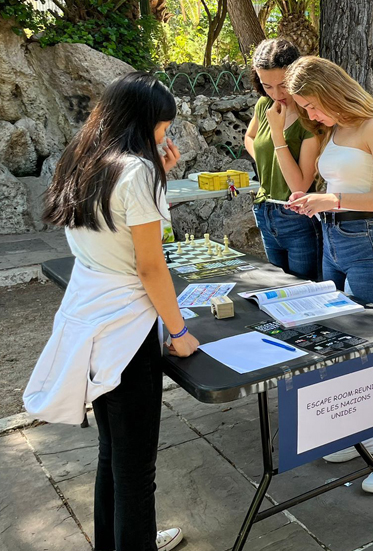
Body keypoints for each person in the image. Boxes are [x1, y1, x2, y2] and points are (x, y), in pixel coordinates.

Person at [23, 72, 197, 551]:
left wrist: (160, 174)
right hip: (128, 326)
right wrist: (179, 331)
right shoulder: (137, 172)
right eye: (163, 126)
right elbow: (150, 266)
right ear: (144, 123)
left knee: (113, 454)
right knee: (136, 467)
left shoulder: (81, 159)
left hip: (91, 312)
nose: (167, 135)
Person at [282, 56, 373, 492]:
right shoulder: (336, 129)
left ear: (331, 90)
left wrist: (332, 201)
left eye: (312, 106)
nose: (311, 116)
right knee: (339, 342)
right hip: (333, 241)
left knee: (370, 348)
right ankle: (367, 431)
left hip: (367, 247)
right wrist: (314, 198)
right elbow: (343, 184)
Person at [245, 39, 322, 281]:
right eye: (267, 86)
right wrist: (268, 159)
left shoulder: (311, 115)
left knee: (304, 295)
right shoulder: (264, 104)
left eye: (283, 85)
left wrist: (278, 135)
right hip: (265, 210)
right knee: (279, 295)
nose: (277, 94)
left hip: (297, 216)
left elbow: (298, 186)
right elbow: (249, 137)